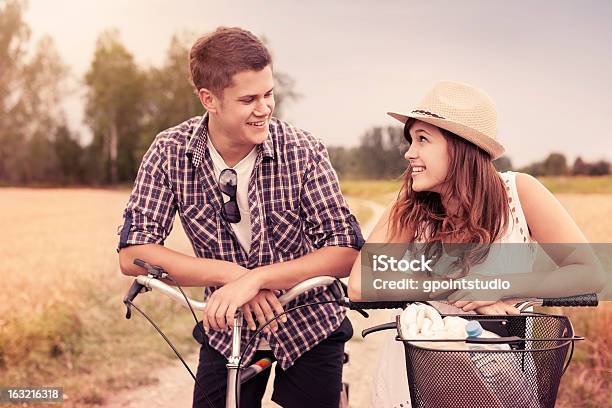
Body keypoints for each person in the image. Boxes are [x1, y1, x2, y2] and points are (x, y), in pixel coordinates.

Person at [117, 27, 363, 408]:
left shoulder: (303, 149)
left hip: (310, 322)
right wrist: (231, 277)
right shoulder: (169, 151)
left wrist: (257, 280)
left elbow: (345, 250)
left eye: (268, 94)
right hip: (227, 327)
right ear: (209, 99)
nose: (264, 108)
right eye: (249, 99)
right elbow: (133, 252)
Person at [347, 80, 605, 407]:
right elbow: (359, 284)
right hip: (417, 369)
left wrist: (497, 286)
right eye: (411, 140)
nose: (409, 152)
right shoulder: (410, 207)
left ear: (461, 147)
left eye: (423, 139)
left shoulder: (519, 193)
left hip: (498, 367)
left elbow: (590, 272)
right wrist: (462, 288)